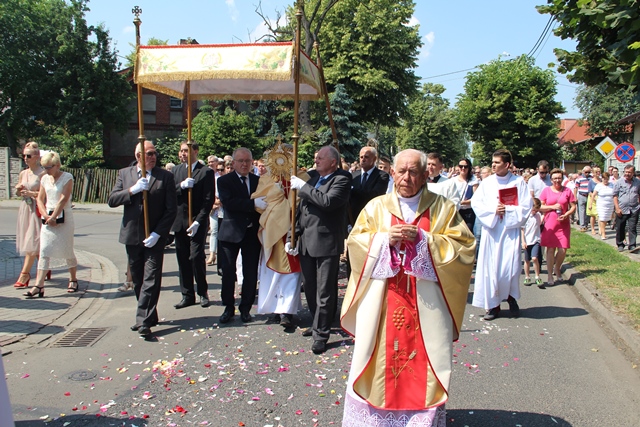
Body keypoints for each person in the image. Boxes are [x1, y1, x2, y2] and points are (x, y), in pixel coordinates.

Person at [341, 149, 475, 426]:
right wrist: (383, 240)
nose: (406, 178)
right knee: (377, 357)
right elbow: (355, 243)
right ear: (392, 173)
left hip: (426, 304)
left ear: (426, 175)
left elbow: (464, 247)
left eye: (414, 172)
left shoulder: (442, 208)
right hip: (383, 300)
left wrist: (425, 240)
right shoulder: (376, 207)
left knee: (423, 361)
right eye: (401, 171)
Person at [108, 140, 177, 336]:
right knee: (138, 279)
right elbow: (112, 200)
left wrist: (158, 233)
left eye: (154, 153)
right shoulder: (125, 174)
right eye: (149, 154)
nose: (154, 157)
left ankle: (142, 321)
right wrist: (133, 190)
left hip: (154, 236)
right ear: (138, 156)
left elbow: (171, 210)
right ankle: (149, 315)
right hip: (132, 235)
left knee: (151, 278)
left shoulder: (165, 177)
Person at [287, 145, 351, 354]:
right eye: (316, 157)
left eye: (321, 158)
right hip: (306, 241)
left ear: (333, 161)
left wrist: (304, 187)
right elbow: (301, 210)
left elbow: (328, 201)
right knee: (311, 288)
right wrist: (292, 236)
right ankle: (317, 323)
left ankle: (321, 334)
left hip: (326, 242)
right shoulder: (314, 178)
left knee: (325, 291)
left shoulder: (342, 179)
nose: (316, 161)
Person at [471, 149, 532, 320]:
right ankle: (493, 306)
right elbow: (477, 203)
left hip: (510, 232)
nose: (493, 165)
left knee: (509, 269)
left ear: (507, 165)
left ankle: (511, 298)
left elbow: (526, 206)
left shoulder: (518, 182)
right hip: (492, 231)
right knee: (491, 270)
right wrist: (494, 210)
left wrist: (508, 210)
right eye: (492, 162)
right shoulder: (487, 183)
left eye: (497, 162)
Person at [255, 143, 302, 328]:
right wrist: (270, 198)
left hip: (291, 231)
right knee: (271, 272)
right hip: (272, 231)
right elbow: (259, 201)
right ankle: (273, 309)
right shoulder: (267, 178)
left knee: (290, 272)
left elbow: (300, 203)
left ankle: (287, 311)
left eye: (288, 156)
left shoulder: (300, 177)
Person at [217, 147, 263, 324]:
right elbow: (229, 202)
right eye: (241, 161)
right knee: (228, 272)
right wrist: (253, 204)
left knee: (250, 273)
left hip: (252, 233)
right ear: (234, 163)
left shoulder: (258, 181)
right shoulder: (224, 180)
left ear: (252, 162)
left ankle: (246, 308)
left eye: (247, 161)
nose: (244, 164)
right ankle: (228, 307)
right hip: (231, 232)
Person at [24, 151, 78, 298]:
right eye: (44, 167)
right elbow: (40, 199)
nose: (47, 170)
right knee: (44, 250)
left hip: (64, 217)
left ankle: (73, 279)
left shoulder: (67, 177)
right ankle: (39, 285)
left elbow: (63, 199)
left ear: (57, 165)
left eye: (49, 167)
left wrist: (54, 216)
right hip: (48, 218)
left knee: (67, 249)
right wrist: (46, 215)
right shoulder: (44, 179)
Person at [171, 142, 215, 309]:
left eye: (186, 150)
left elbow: (208, 200)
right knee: (182, 259)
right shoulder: (176, 171)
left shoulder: (205, 172)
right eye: (181, 150)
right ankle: (187, 294)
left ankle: (202, 292)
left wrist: (198, 221)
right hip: (180, 222)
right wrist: (181, 186)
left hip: (197, 221)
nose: (183, 153)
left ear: (195, 151)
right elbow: (169, 193)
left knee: (196, 257)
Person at [14, 144, 45, 288]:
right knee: (32, 241)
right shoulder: (23, 173)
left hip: (37, 209)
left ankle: (24, 274)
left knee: (32, 241)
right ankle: (45, 268)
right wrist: (19, 190)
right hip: (25, 208)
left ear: (37, 157)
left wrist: (32, 193)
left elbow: (46, 194)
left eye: (29, 156)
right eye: (24, 155)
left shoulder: (42, 174)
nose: (25, 158)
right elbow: (18, 193)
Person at [539, 168, 577, 287]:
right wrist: (552, 207)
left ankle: (557, 268)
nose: (557, 180)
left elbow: (573, 206)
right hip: (550, 224)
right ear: (551, 179)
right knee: (550, 249)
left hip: (563, 224)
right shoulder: (546, 191)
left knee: (563, 250)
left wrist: (567, 214)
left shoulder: (567, 191)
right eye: (555, 178)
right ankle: (550, 275)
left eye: (559, 178)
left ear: (562, 178)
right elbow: (540, 207)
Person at [349, 147, 390, 225]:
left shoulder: (382, 176)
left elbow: (375, 195)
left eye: (366, 157)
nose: (363, 159)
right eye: (361, 157)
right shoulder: (353, 175)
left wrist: (352, 190)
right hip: (354, 218)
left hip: (371, 217)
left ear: (374, 159)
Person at [613, 165, 640, 253]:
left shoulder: (638, 182)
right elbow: (615, 196)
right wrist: (617, 208)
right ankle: (620, 244)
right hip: (622, 209)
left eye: (629, 172)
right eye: (626, 172)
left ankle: (632, 245)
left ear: (633, 173)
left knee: (632, 227)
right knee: (620, 227)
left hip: (634, 208)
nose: (627, 174)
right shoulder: (619, 182)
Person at [522, 198, 543, 287]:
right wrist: (523, 241)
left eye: (537, 210)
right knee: (527, 260)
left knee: (534, 258)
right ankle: (527, 276)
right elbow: (522, 230)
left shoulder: (538, 215)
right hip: (527, 241)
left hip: (535, 240)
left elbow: (540, 223)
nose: (535, 212)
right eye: (534, 210)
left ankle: (537, 276)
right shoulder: (525, 216)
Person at [453, 158, 479, 231]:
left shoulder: (474, 180)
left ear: (469, 167)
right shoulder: (453, 180)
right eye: (461, 166)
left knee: (468, 231)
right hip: (456, 211)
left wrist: (463, 202)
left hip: (468, 212)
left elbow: (476, 198)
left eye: (465, 166)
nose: (463, 168)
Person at [590, 171, 615, 240]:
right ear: (602, 178)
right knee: (602, 218)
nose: (605, 180)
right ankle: (603, 234)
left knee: (606, 219)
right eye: (604, 179)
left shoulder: (612, 185)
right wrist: (590, 204)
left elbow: (615, 194)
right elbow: (593, 195)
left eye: (607, 179)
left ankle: (602, 230)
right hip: (601, 204)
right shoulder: (599, 185)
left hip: (610, 204)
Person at [575, 166, 592, 232]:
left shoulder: (591, 178)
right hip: (581, 195)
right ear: (583, 172)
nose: (587, 173)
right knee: (581, 211)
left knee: (588, 211)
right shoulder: (579, 178)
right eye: (586, 172)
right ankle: (582, 226)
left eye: (589, 172)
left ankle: (586, 224)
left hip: (589, 196)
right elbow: (576, 188)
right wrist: (575, 197)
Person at [586, 166, 602, 235]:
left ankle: (600, 229)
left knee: (600, 215)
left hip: (600, 198)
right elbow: (589, 191)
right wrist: (594, 198)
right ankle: (593, 229)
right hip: (592, 198)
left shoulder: (601, 180)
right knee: (593, 215)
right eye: (596, 172)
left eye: (599, 172)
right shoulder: (591, 181)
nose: (598, 173)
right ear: (594, 173)